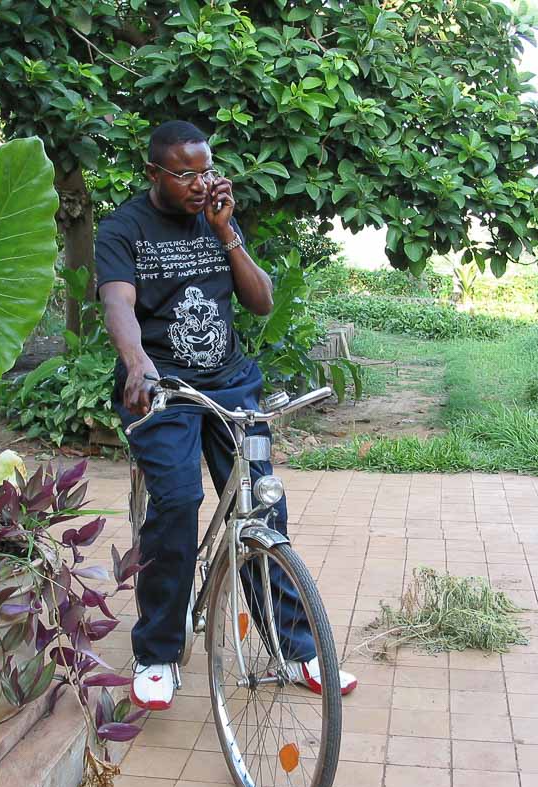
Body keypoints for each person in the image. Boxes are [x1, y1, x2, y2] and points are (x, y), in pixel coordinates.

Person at [96, 120, 357, 710]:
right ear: (154, 173)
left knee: (264, 505)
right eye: (184, 174)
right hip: (163, 390)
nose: (199, 183)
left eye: (206, 170)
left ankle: (294, 649)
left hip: (232, 384)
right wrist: (137, 363)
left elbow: (260, 301)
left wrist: (226, 232)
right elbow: (118, 302)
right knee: (178, 503)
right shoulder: (123, 228)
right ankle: (158, 652)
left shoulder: (217, 221)